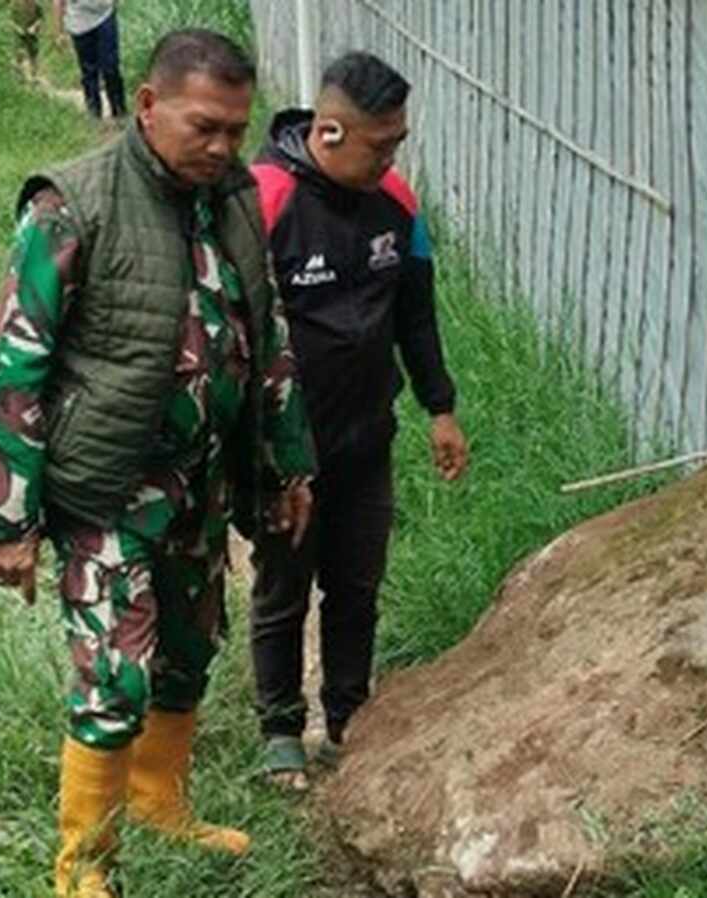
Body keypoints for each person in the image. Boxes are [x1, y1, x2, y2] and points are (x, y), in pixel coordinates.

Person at [0, 29, 315, 897]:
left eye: (237, 129)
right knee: (113, 674)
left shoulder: (234, 196)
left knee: (190, 650)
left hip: (201, 484)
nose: (223, 147)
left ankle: (163, 804)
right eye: (205, 126)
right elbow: (16, 366)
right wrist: (7, 520)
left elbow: (266, 336)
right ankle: (84, 868)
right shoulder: (71, 205)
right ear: (149, 105)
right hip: (107, 488)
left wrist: (285, 465)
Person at [248, 51, 469, 792]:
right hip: (287, 448)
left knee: (357, 584)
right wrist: (258, 451)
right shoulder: (265, 201)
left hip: (368, 437)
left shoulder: (398, 203)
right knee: (284, 587)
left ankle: (348, 715)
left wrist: (441, 408)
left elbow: (418, 313)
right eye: (382, 143)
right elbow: (230, 336)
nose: (393, 156)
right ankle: (280, 726)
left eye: (400, 141)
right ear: (331, 131)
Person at [52, 0, 126, 120]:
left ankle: (119, 112)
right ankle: (94, 114)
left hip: (104, 15)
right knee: (89, 71)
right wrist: (58, 32)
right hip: (79, 22)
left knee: (110, 67)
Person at [9, 0, 43, 83]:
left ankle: (34, 76)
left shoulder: (36, 5)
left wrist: (34, 26)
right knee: (19, 53)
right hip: (19, 34)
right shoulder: (15, 5)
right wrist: (17, 28)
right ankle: (18, 74)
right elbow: (10, 20)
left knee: (33, 55)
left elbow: (40, 19)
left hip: (32, 34)